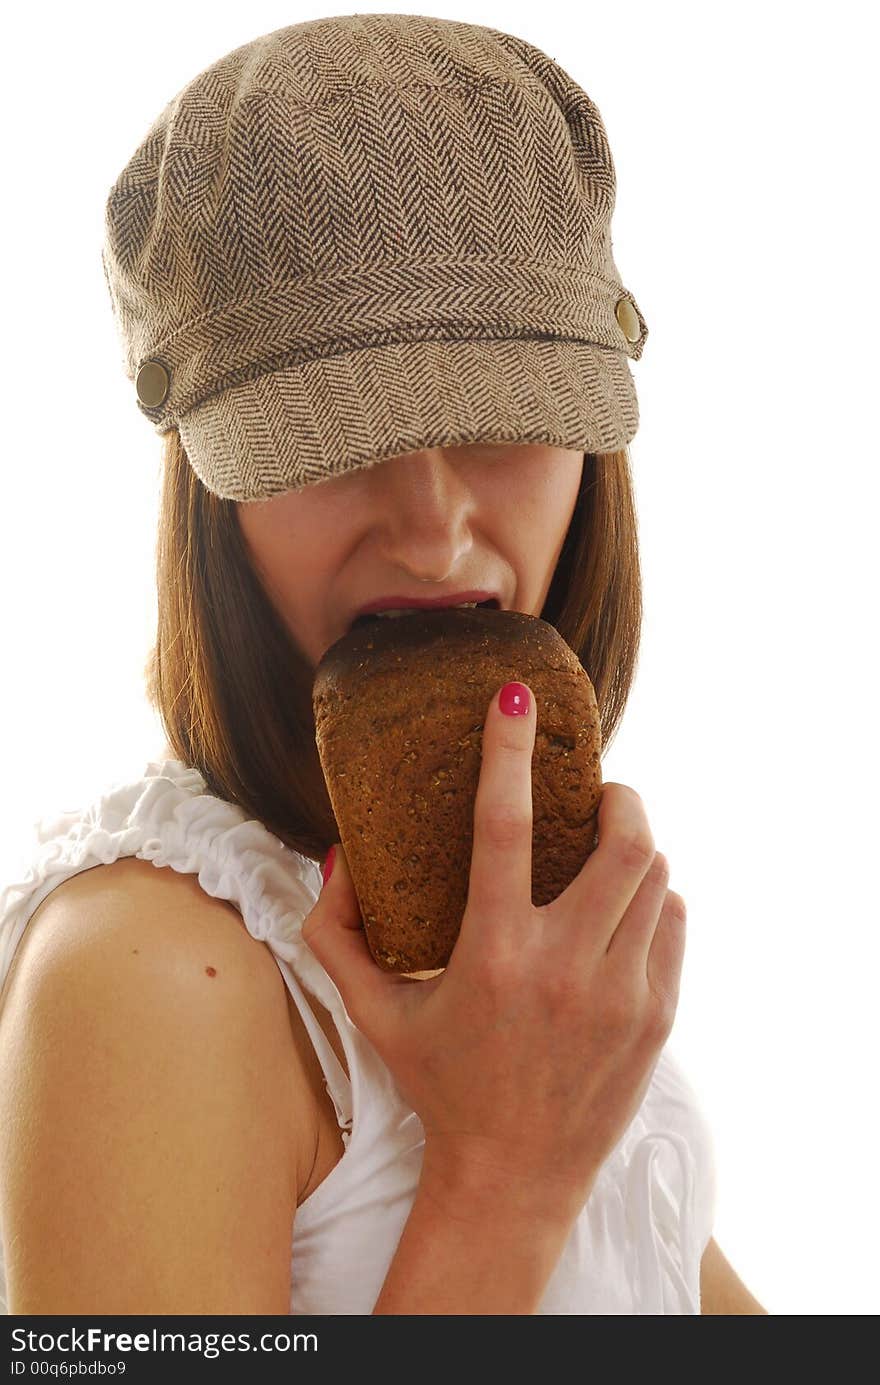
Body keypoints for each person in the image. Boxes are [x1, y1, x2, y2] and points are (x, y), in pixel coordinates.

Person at [0, 14, 767, 1314]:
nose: (433, 528)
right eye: (332, 432)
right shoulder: (139, 975)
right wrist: (505, 1174)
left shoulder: (518, 976)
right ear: (207, 486)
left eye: (498, 419)